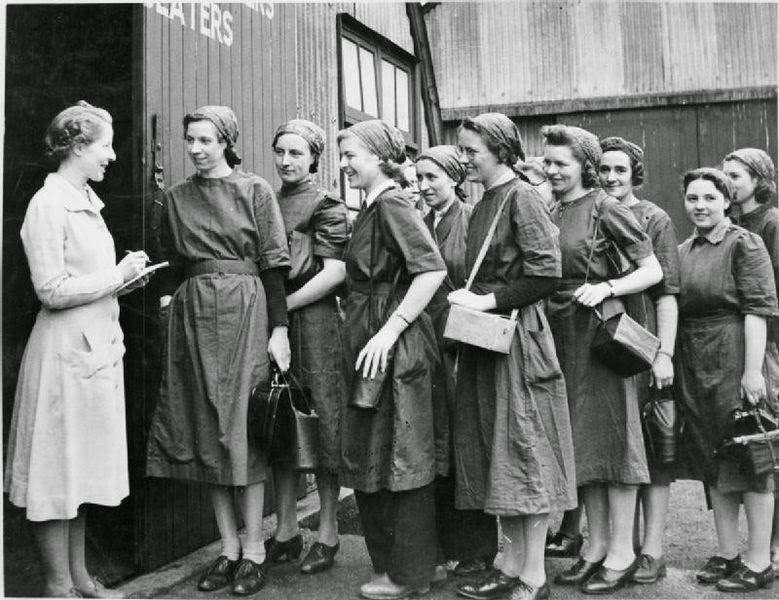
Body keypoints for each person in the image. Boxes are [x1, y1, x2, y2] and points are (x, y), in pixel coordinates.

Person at [4, 101, 150, 598]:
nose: (112, 156)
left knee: (80, 469)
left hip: (94, 352)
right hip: (63, 358)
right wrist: (117, 275)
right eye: (105, 145)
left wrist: (124, 280)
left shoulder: (85, 200)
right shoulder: (48, 205)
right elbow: (50, 288)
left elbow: (87, 281)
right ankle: (57, 585)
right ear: (76, 147)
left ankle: (81, 578)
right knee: (55, 474)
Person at [145, 105, 290, 596]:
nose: (196, 149)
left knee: (242, 431)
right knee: (207, 429)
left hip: (246, 314)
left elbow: (274, 264)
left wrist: (280, 330)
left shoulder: (256, 190)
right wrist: (171, 306)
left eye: (206, 140)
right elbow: (168, 262)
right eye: (190, 140)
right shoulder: (176, 198)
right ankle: (227, 549)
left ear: (227, 140)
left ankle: (255, 550)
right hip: (194, 319)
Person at [451, 113, 577, 600]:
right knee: (495, 453)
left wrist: (487, 300)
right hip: (488, 338)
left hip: (517, 338)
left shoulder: (521, 197)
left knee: (523, 453)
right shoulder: (485, 201)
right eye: (461, 150)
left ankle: (533, 577)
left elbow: (546, 275)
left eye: (471, 151)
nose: (464, 160)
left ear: (501, 150)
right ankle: (509, 564)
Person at [542, 124, 663, 594]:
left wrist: (609, 286)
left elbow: (650, 269)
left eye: (561, 163)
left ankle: (622, 553)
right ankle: (594, 548)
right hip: (562, 333)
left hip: (600, 335)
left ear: (584, 167)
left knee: (614, 441)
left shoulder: (606, 208)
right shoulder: (552, 208)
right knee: (583, 446)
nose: (552, 170)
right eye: (547, 161)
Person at [337, 119, 447, 600]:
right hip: (371, 335)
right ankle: (410, 566)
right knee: (382, 453)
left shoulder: (393, 203)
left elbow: (431, 270)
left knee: (400, 456)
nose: (343, 165)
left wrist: (390, 330)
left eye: (351, 156)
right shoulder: (375, 205)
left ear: (380, 158)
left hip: (392, 347)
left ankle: (408, 574)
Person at [676, 167, 777, 592]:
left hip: (734, 353)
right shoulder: (682, 249)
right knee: (710, 460)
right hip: (694, 362)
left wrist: (752, 372)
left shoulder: (744, 243)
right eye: (692, 198)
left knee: (748, 460)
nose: (700, 206)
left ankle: (759, 560)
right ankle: (727, 552)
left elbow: (757, 309)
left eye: (709, 198)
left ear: (726, 201)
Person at [266, 119, 350, 573]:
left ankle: (329, 532)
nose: (286, 161)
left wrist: (284, 309)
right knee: (278, 417)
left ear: (314, 158)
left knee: (323, 420)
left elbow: (334, 273)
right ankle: (285, 530)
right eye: (281, 151)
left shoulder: (326, 204)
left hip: (315, 322)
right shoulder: (265, 199)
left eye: (296, 153)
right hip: (276, 322)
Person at [597, 137, 681, 584]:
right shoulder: (592, 212)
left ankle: (653, 550)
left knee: (652, 446)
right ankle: (619, 547)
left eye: (620, 170)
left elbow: (666, 294)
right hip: (600, 344)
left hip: (641, 339)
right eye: (604, 170)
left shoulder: (654, 218)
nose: (611, 178)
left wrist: (663, 353)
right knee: (615, 448)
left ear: (635, 174)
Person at [414, 146, 499, 580]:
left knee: (467, 442)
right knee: (436, 443)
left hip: (461, 342)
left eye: (433, 177)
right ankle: (442, 543)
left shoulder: (470, 220)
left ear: (454, 177)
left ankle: (478, 547)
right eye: (420, 178)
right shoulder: (418, 219)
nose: (425, 186)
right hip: (425, 342)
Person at [723, 148, 779, 576]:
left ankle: (773, 547)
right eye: (725, 175)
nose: (729, 182)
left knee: (768, 442)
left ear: (758, 179)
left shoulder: (771, 223)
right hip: (738, 340)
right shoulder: (731, 224)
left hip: (768, 343)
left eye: (736, 175)